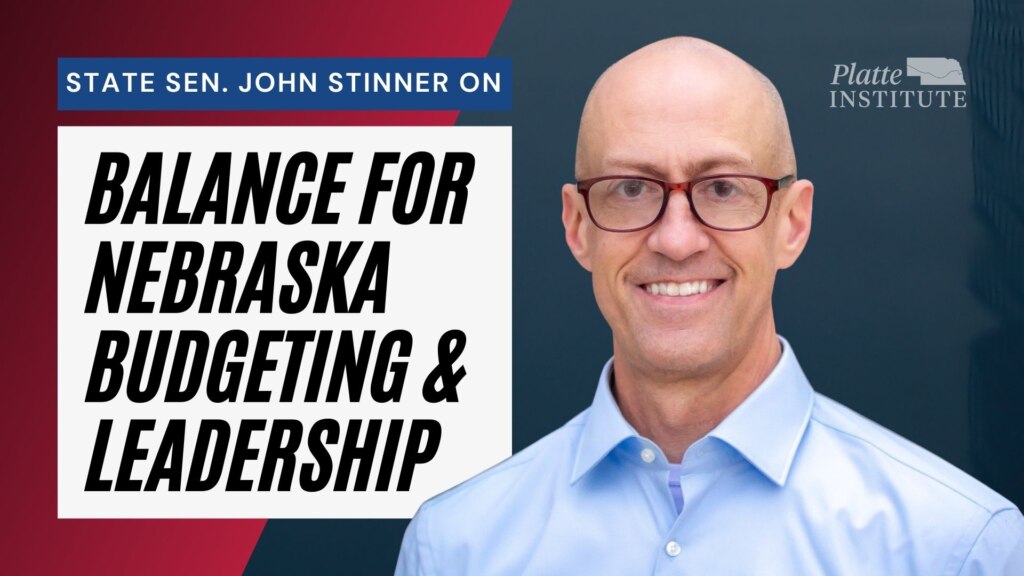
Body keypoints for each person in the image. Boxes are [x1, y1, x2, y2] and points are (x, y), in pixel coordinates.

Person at [394, 37, 1024, 575]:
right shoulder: (456, 548)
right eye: (631, 188)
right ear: (577, 225)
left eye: (723, 188)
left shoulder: (958, 548)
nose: (675, 239)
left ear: (793, 223)